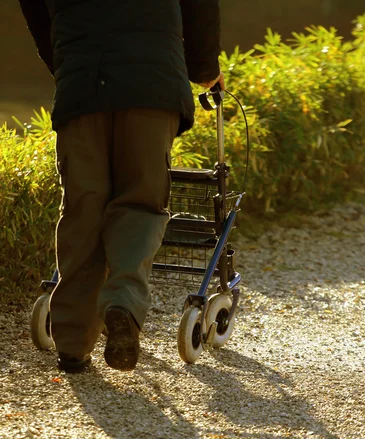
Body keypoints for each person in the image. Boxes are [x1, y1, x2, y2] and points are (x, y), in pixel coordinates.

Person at [18, 0, 224, 373]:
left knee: (84, 209)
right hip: (152, 81)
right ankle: (122, 305)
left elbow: (35, 10)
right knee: (140, 203)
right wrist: (205, 69)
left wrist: (66, 62)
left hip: (81, 84)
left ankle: (73, 343)